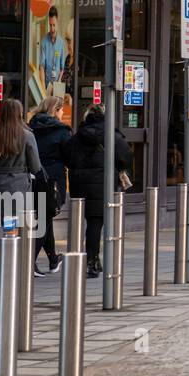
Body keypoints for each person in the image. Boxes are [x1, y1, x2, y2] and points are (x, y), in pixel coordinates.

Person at [66, 105, 128, 279]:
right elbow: (125, 157)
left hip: (79, 185)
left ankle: (79, 258)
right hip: (102, 184)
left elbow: (67, 155)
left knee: (80, 221)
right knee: (95, 223)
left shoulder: (78, 136)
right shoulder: (112, 136)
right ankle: (92, 260)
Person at [0, 100, 45, 247]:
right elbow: (36, 167)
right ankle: (20, 261)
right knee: (23, 225)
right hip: (20, 185)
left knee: (8, 225)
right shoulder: (27, 136)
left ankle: (9, 257)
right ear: (19, 114)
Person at [29, 94, 72, 274]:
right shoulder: (62, 131)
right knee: (45, 219)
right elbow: (69, 157)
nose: (63, 113)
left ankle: (53, 259)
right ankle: (28, 261)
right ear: (55, 110)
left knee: (45, 217)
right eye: (61, 110)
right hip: (53, 180)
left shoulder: (31, 127)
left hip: (34, 178)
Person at [38, 6, 71, 89]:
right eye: (50, 25)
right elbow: (42, 66)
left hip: (57, 84)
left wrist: (58, 83)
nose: (52, 28)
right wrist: (42, 86)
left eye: (54, 25)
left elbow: (62, 68)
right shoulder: (44, 42)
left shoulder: (61, 43)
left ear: (57, 22)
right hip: (46, 85)